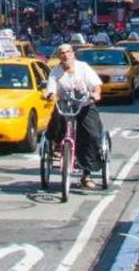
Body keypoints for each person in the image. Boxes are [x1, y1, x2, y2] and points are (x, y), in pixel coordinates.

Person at [44, 44, 105, 189]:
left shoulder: (83, 67)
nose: (65, 55)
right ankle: (59, 145)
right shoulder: (55, 72)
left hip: (84, 104)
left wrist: (96, 94)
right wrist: (49, 94)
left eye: (68, 52)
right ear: (59, 57)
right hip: (65, 105)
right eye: (62, 53)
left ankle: (87, 174)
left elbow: (96, 85)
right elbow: (51, 89)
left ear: (73, 54)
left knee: (92, 134)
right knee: (57, 119)